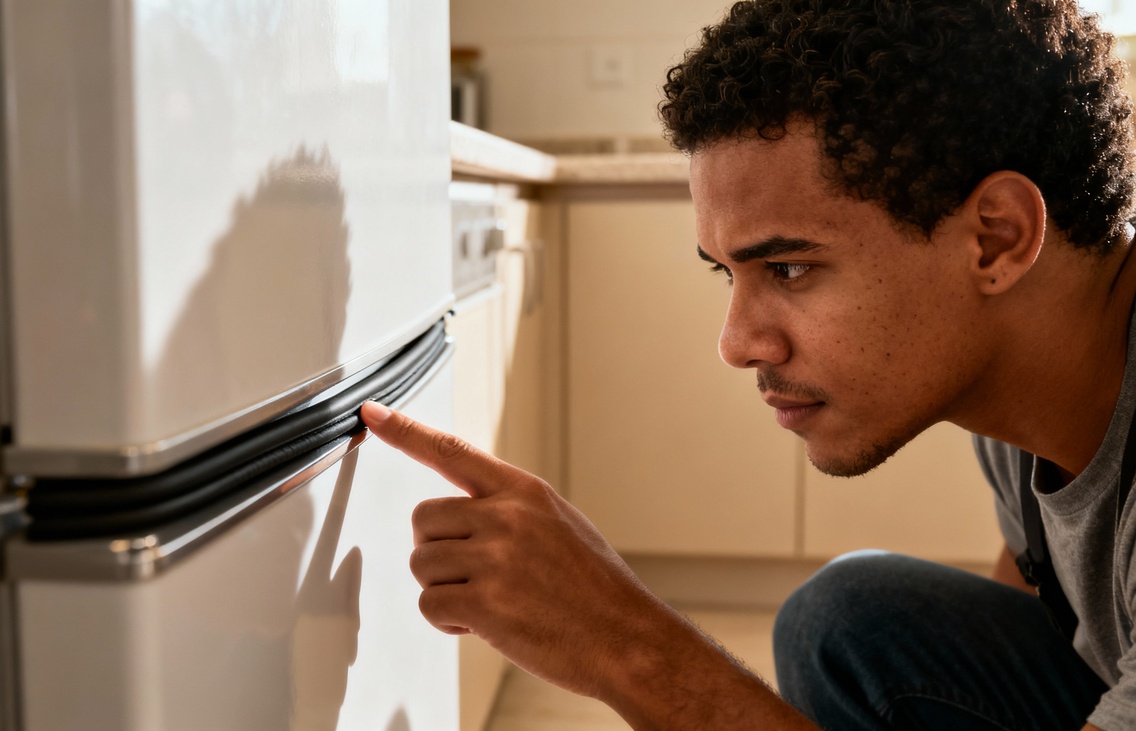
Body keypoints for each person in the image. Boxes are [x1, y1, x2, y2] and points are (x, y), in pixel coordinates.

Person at [358, 0, 1136, 728]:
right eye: (727, 274)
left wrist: (630, 649)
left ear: (997, 237)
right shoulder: (1025, 372)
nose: (736, 344)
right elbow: (1029, 607)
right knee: (849, 622)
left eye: (790, 268)